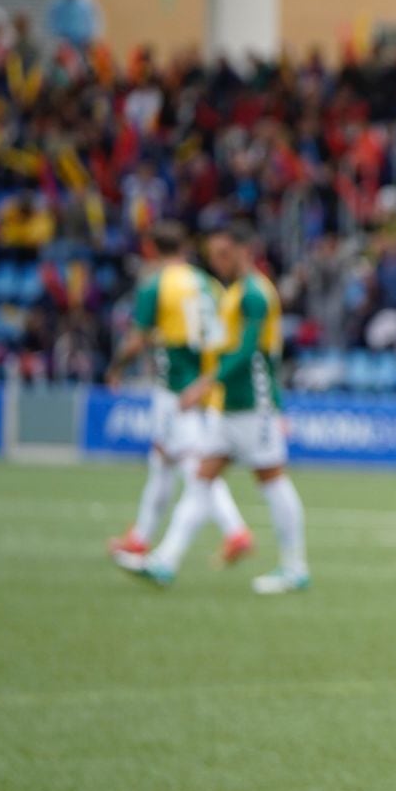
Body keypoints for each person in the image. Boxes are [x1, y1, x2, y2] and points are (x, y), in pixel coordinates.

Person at [117, 222, 309, 594]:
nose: (217, 262)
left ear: (243, 250)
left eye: (223, 254)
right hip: (229, 407)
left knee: (271, 481)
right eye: (213, 255)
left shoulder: (254, 293)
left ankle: (294, 567)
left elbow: (250, 352)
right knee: (202, 479)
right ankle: (165, 560)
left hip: (254, 404)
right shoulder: (235, 292)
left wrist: (205, 384)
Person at [106, 222, 251, 567]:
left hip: (175, 386)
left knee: (194, 465)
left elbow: (138, 338)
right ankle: (140, 537)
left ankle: (235, 530)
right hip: (206, 378)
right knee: (162, 458)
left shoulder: (155, 284)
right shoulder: (207, 283)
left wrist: (116, 368)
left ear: (151, 250)